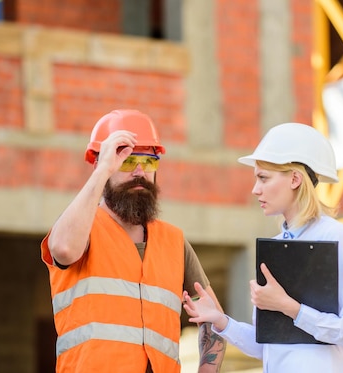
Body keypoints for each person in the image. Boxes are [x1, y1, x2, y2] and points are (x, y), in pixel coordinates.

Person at [41, 109, 226, 373]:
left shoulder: (173, 241)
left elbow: (214, 320)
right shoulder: (81, 226)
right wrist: (102, 171)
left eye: (148, 161)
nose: (139, 171)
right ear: (101, 163)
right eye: (126, 161)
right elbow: (63, 249)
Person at [182, 122, 343, 373]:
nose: (255, 189)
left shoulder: (336, 237)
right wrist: (221, 320)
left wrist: (290, 308)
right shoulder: (275, 246)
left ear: (295, 179)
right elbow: (267, 347)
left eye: (263, 178)